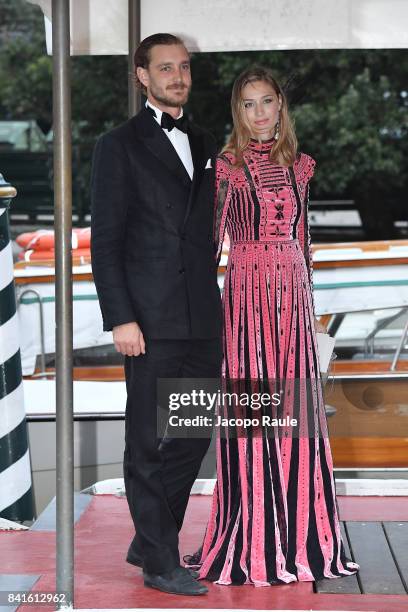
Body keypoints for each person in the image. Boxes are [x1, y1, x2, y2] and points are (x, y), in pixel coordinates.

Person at [184, 66, 360, 586]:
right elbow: (206, 249)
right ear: (237, 113)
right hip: (245, 303)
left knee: (297, 413)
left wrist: (309, 304)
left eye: (266, 102)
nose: (259, 113)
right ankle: (255, 535)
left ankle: (302, 536)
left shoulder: (303, 166)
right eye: (248, 104)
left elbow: (304, 241)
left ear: (281, 106)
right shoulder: (226, 167)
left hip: (294, 306)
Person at [90, 33, 222, 596]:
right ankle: (160, 563)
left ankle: (149, 535)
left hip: (201, 316)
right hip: (147, 317)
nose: (178, 77)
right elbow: (106, 240)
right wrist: (121, 317)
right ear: (142, 76)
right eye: (166, 68)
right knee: (147, 440)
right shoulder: (117, 145)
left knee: (192, 434)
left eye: (184, 67)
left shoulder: (205, 139)